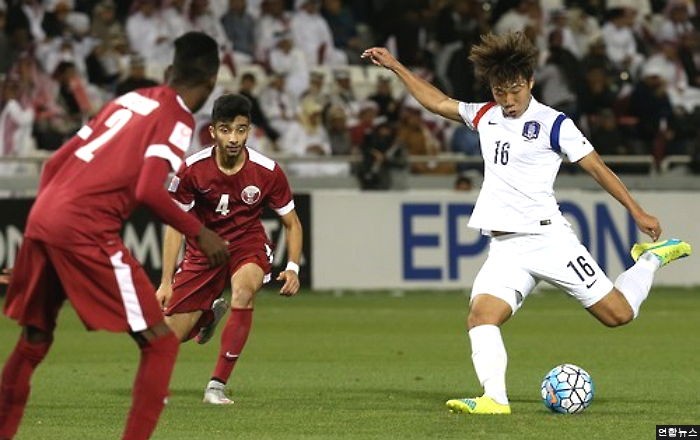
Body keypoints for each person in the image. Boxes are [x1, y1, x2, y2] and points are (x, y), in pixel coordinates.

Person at [362, 32, 692, 415]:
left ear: (531, 82)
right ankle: (494, 400)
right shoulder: (486, 115)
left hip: (549, 241)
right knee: (481, 317)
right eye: (500, 90)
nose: (508, 99)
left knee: (617, 315)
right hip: (505, 248)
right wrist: (396, 66)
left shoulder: (554, 124)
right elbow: (437, 102)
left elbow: (598, 169)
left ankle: (650, 260)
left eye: (515, 89)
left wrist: (636, 211)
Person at [0, 32, 229, 440]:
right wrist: (200, 232)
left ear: (169, 69)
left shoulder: (130, 100)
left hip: (46, 213)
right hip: (86, 227)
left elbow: (54, 164)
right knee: (159, 344)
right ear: (212, 79)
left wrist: (46, 226)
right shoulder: (177, 118)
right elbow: (147, 190)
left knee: (34, 339)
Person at [156, 93, 303, 405]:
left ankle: (216, 386)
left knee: (243, 292)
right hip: (203, 251)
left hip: (247, 245)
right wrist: (166, 280)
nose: (234, 138)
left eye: (241, 129)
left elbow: (292, 222)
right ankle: (206, 316)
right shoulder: (191, 170)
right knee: (168, 338)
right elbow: (173, 224)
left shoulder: (267, 170)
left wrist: (293, 268)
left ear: (249, 130)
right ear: (212, 132)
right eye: (226, 130)